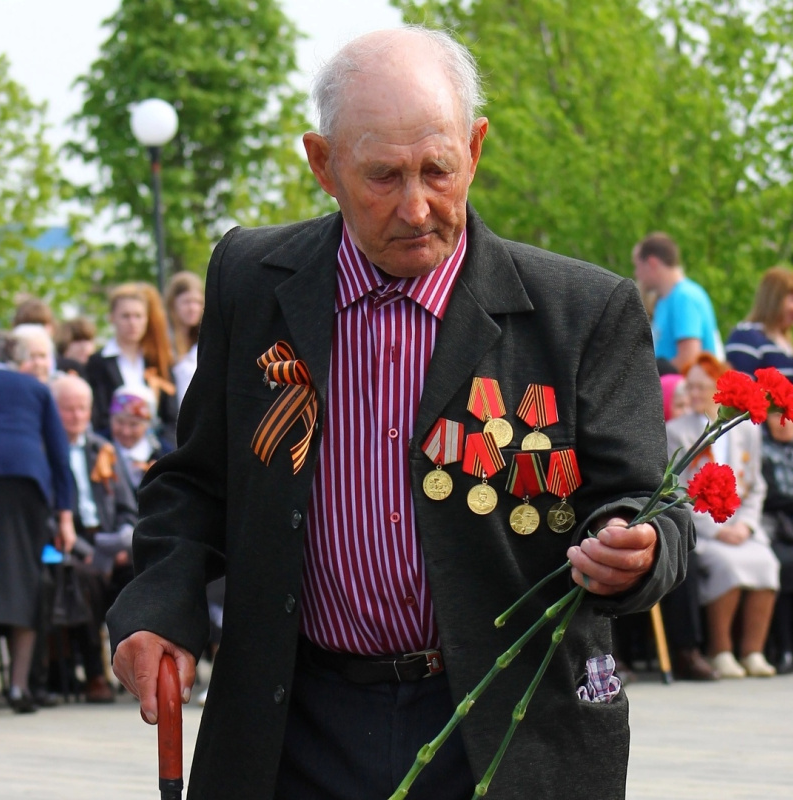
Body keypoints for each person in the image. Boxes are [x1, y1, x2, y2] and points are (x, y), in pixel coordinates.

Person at [108, 27, 692, 800]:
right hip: (296, 723)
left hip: (497, 726)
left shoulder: (581, 311)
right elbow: (197, 482)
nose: (417, 207)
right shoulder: (254, 280)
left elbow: (648, 503)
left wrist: (639, 548)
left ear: (475, 147)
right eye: (382, 176)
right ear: (324, 165)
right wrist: (158, 605)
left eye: (438, 170)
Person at [666, 353, 779, 678]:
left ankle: (753, 651)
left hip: (741, 525)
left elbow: (756, 485)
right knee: (727, 565)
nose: (696, 394)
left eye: (703, 386)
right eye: (692, 387)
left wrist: (746, 525)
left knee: (766, 562)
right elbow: (676, 491)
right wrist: (716, 531)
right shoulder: (678, 432)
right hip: (707, 527)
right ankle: (721, 650)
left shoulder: (747, 431)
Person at [0, 333, 76, 713]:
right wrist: (65, 515)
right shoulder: (34, 388)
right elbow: (61, 455)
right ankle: (18, 687)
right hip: (26, 484)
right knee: (23, 579)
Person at [51, 374, 138, 702]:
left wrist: (123, 541)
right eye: (67, 409)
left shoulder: (104, 449)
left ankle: (133, 673)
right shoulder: (49, 451)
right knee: (85, 581)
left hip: (112, 540)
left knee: (138, 576)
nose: (76, 416)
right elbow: (49, 514)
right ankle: (95, 675)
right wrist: (87, 550)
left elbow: (129, 508)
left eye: (82, 409)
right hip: (73, 543)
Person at [85, 282, 177, 441]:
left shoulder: (157, 360)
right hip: (114, 451)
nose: (132, 322)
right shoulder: (97, 363)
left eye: (138, 316)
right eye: (125, 316)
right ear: (112, 317)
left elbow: (171, 414)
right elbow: (98, 416)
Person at [633, 232, 722, 371]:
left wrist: (646, 377)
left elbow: (689, 358)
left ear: (652, 263)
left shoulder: (685, 297)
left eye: (638, 266)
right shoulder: (665, 300)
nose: (636, 273)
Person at [760, 411, 793, 673]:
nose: (782, 422)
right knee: (785, 563)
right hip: (774, 526)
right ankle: (785, 648)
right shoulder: (761, 448)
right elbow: (770, 496)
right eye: (775, 416)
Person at [725, 266, 793, 380]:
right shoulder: (746, 336)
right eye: (791, 299)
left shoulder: (786, 343)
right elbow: (739, 387)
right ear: (774, 299)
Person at [109, 384, 173, 499]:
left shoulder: (164, 455)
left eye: (134, 425)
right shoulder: (99, 449)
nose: (125, 431)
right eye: (119, 422)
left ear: (148, 425)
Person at [164, 270, 205, 403]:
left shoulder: (204, 341)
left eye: (198, 302)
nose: (193, 308)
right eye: (187, 302)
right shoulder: (165, 341)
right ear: (173, 304)